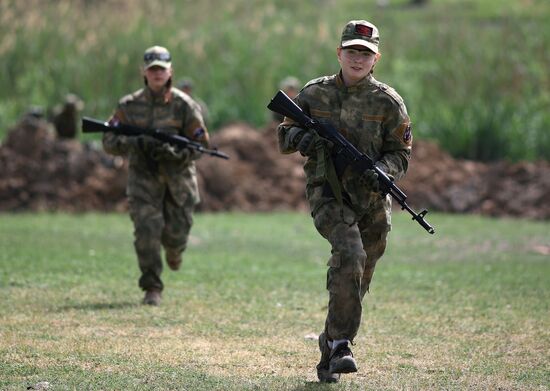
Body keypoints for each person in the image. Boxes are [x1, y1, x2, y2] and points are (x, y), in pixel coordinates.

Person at [277, 20, 412, 382]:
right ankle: (342, 345)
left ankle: (330, 348)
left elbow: (401, 153)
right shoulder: (314, 93)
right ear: (339, 53)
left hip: (371, 202)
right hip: (327, 193)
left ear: (376, 59)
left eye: (365, 53)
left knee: (358, 278)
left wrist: (384, 170)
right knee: (350, 256)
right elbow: (285, 134)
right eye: (352, 51)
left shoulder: (388, 102)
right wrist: (303, 140)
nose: (358, 58)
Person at [102, 46, 210, 306]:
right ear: (144, 72)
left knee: (176, 236)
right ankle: (152, 287)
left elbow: (201, 145)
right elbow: (109, 140)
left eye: (161, 69)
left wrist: (174, 151)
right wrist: (135, 143)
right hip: (143, 180)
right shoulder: (128, 106)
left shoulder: (185, 106)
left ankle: (174, 252)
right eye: (152, 70)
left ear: (170, 71)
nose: (157, 74)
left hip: (178, 182)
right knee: (146, 231)